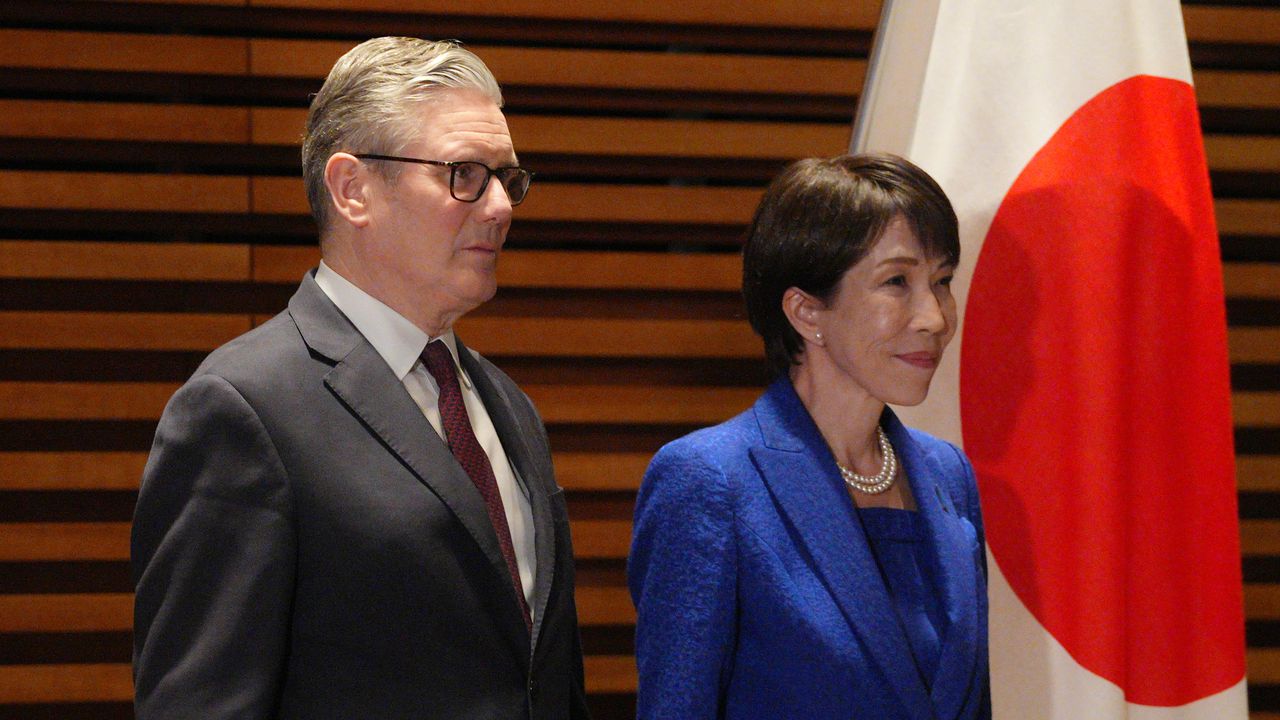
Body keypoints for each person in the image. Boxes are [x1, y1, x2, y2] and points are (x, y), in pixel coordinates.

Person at [131, 37, 590, 719]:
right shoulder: (242, 409)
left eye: (507, 178)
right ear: (352, 190)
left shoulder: (507, 405)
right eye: (465, 174)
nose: (500, 207)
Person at [628, 153, 990, 720]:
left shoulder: (948, 474)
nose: (935, 317)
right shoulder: (709, 481)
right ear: (805, 312)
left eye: (941, 281)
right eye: (897, 282)